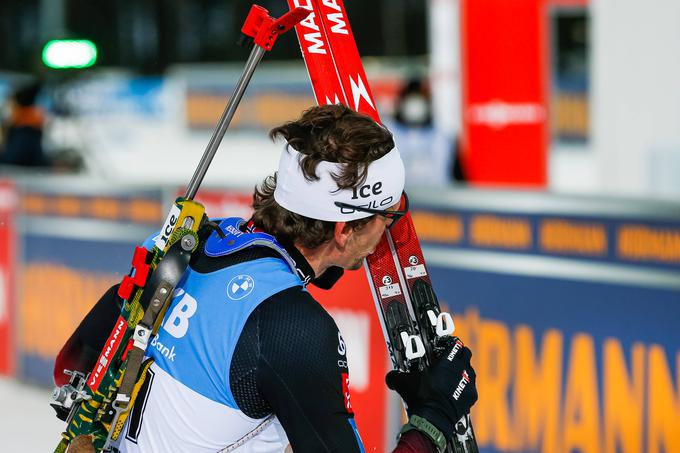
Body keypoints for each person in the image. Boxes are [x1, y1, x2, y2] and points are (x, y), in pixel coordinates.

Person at [55, 104, 477, 453]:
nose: (390, 229)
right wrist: (433, 418)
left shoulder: (190, 240)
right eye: (388, 217)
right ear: (344, 230)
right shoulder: (293, 329)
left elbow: (69, 367)